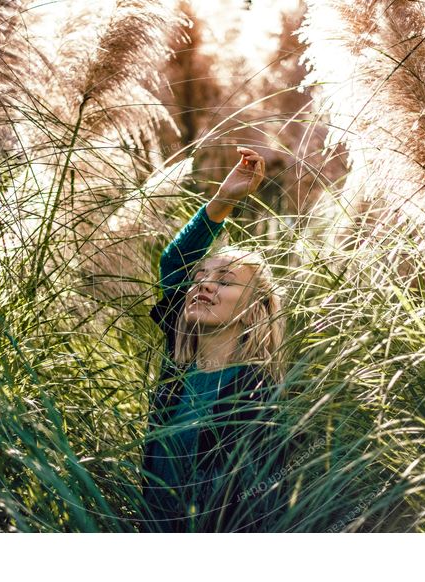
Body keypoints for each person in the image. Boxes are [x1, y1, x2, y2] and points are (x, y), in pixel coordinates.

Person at [141, 147, 287, 532]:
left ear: (256, 308)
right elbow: (174, 264)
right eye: (200, 278)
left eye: (223, 281)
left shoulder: (255, 393)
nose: (204, 285)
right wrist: (223, 201)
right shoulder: (177, 370)